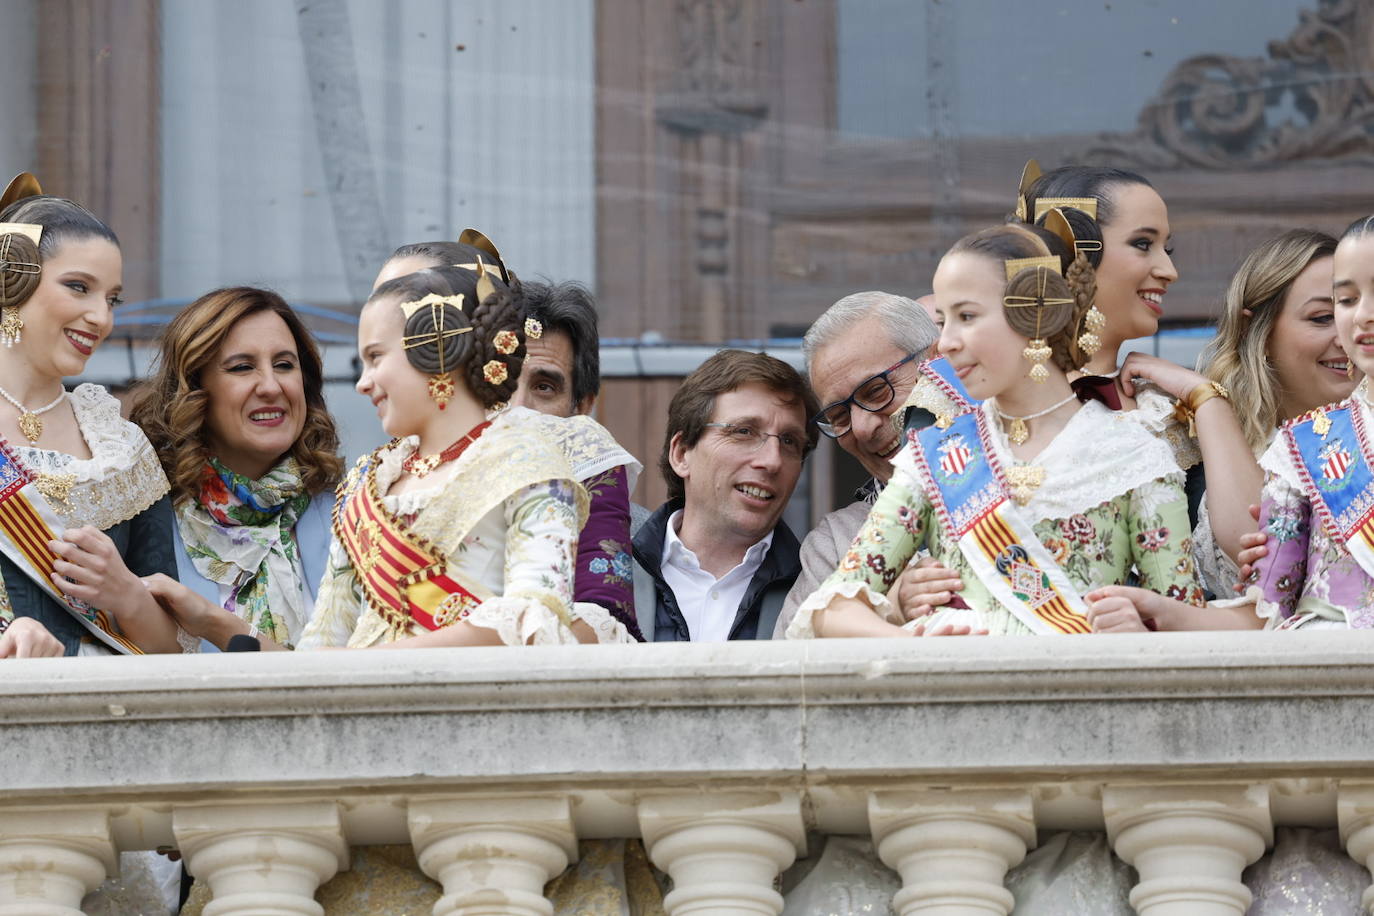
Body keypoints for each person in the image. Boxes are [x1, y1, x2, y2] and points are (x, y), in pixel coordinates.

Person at [790, 221, 1204, 640]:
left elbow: (1185, 625)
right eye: (945, 320)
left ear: (1036, 315)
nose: (947, 342)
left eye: (966, 316)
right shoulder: (935, 456)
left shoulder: (1134, 452)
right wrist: (911, 644)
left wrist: (1140, 630)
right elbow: (833, 609)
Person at [297, 261, 633, 649]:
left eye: (376, 357)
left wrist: (375, 662)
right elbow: (322, 639)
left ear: (438, 351)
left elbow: (535, 619)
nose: (362, 383)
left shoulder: (531, 464)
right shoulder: (366, 480)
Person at [374, 240, 643, 638]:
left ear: (582, 406)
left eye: (545, 387)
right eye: (502, 379)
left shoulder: (587, 462)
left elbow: (603, 619)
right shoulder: (389, 474)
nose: (518, 406)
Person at [0, 175, 179, 655]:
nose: (102, 317)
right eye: (78, 287)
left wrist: (124, 594)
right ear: (11, 280)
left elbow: (173, 653)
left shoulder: (122, 448)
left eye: (111, 298)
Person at [129, 287, 342, 650]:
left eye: (285, 365)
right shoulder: (145, 526)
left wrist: (214, 623)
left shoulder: (353, 513)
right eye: (243, 367)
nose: (271, 386)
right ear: (193, 390)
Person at [772, 291, 938, 638]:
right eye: (838, 415)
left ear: (937, 363)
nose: (862, 428)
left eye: (877, 391)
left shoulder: (1023, 473)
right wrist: (889, 606)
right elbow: (792, 670)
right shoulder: (835, 543)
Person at [633, 349, 817, 642]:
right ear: (681, 453)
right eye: (744, 432)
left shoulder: (819, 591)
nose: (773, 461)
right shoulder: (607, 572)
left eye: (789, 441)